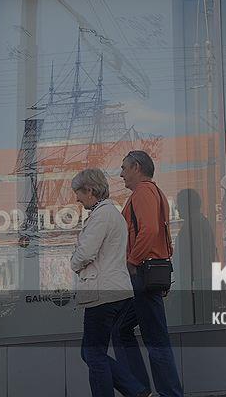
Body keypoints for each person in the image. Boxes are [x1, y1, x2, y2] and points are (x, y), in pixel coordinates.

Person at [70, 168, 151, 397]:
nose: (77, 199)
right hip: (115, 291)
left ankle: (137, 391)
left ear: (90, 190)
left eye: (78, 193)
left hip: (102, 294)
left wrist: (73, 262)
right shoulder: (109, 213)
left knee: (94, 354)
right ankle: (137, 391)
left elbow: (85, 252)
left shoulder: (102, 215)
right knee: (90, 352)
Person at [113, 150, 184, 397]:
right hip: (148, 274)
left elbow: (150, 230)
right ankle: (140, 390)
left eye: (124, 168)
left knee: (155, 340)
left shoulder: (143, 192)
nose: (121, 174)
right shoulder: (154, 192)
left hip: (142, 274)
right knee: (122, 330)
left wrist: (132, 261)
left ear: (136, 167)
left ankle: (162, 393)